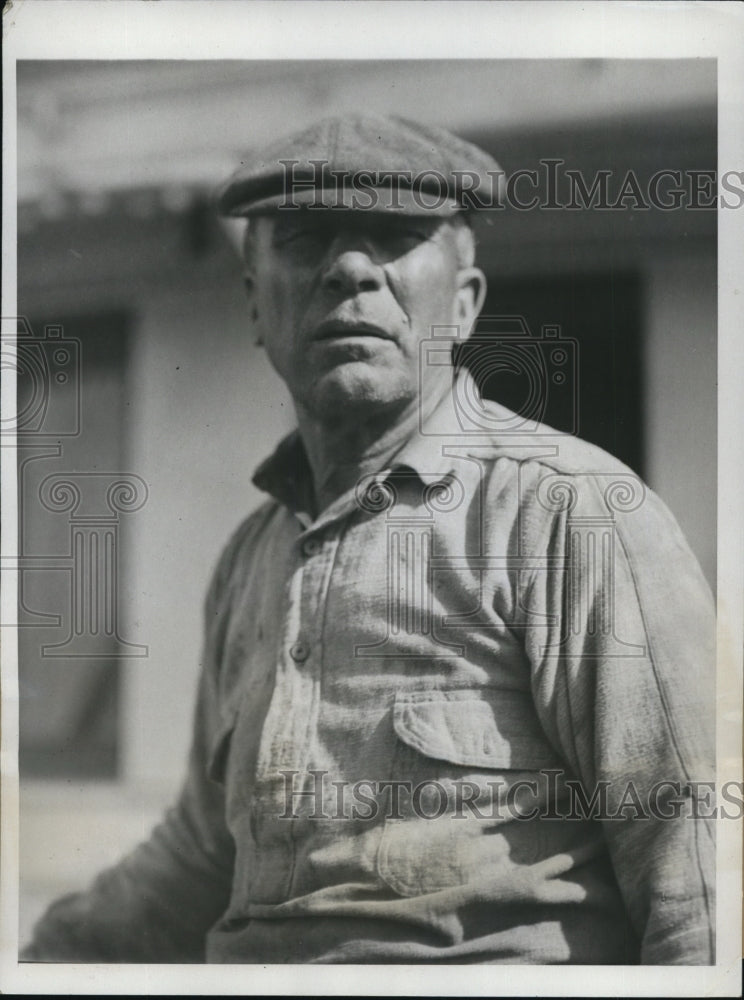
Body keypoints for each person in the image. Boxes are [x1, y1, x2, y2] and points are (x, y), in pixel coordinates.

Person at [22, 114, 715, 965]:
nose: (349, 269)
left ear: (463, 306)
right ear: (253, 303)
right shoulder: (252, 557)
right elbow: (205, 854)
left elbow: (698, 886)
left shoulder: (571, 516)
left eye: (394, 236)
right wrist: (42, 958)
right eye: (306, 238)